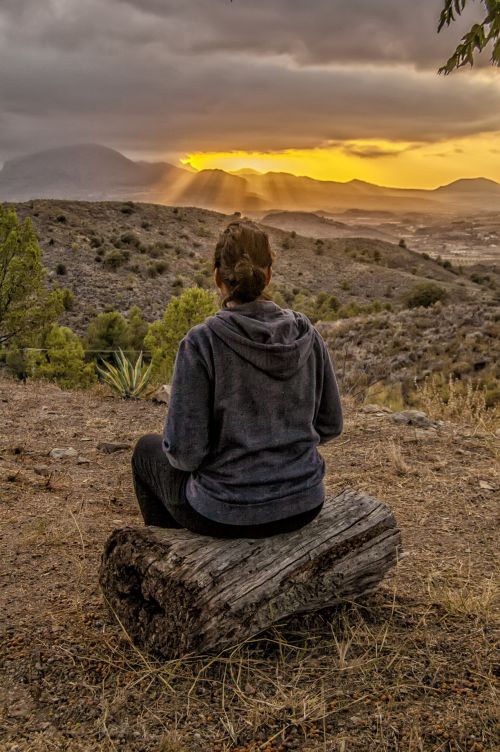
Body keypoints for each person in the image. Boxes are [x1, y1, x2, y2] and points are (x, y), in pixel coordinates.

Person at [132, 220, 342, 538]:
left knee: (145, 452)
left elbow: (185, 455)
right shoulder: (306, 334)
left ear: (217, 276)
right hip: (304, 504)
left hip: (225, 512)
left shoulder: (202, 342)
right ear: (268, 273)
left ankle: (170, 558)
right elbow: (330, 425)